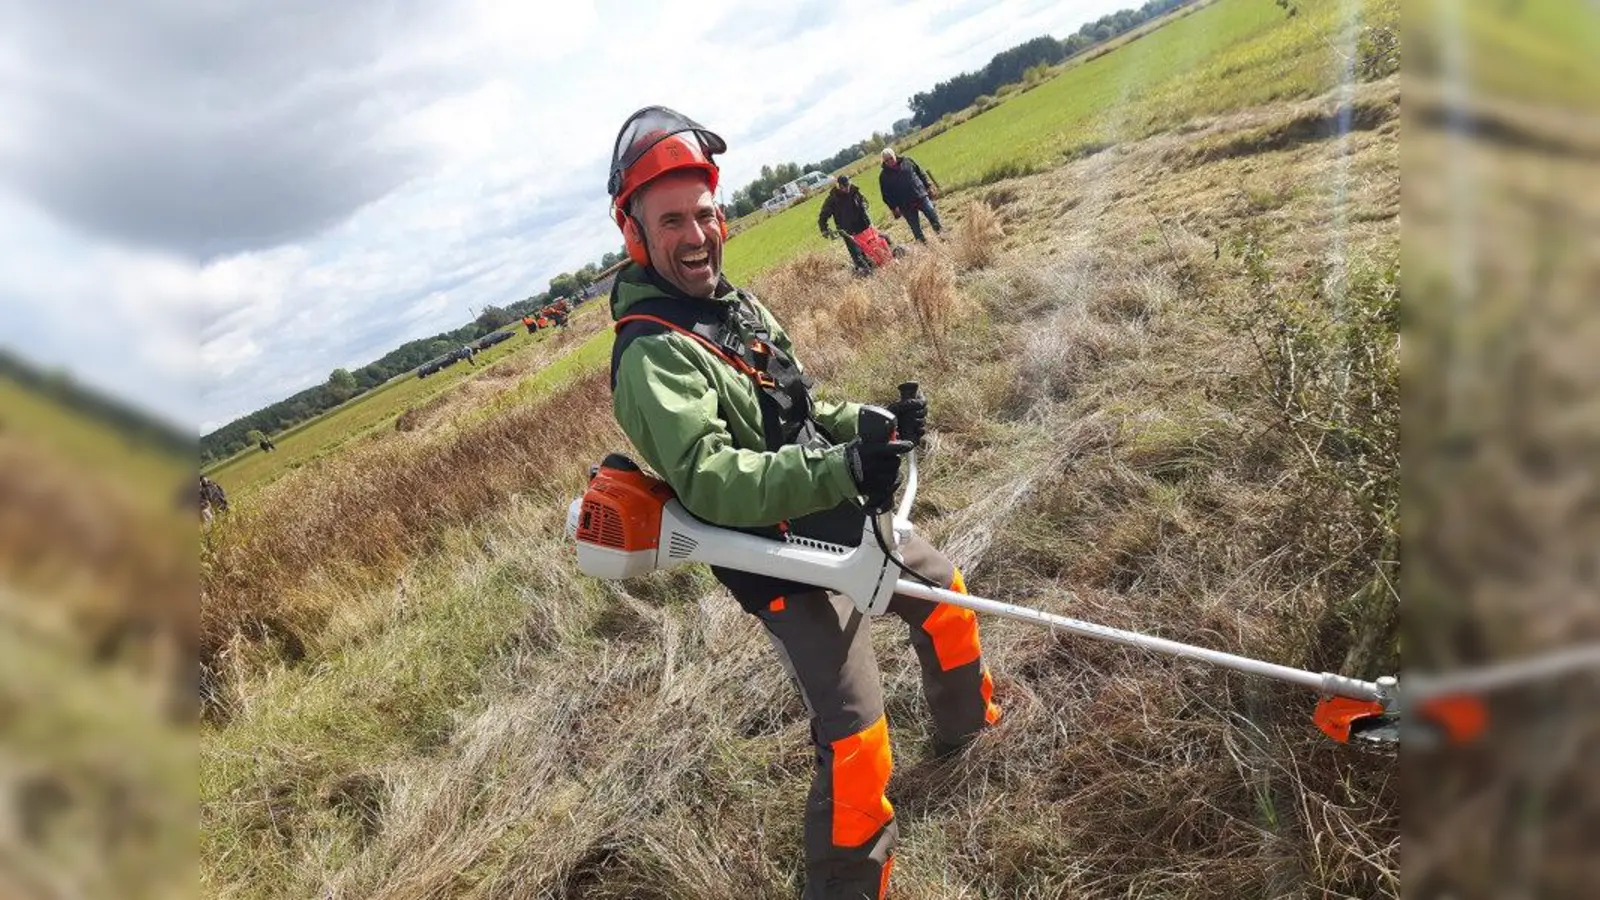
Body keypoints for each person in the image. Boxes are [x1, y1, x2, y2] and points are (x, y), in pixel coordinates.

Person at [603, 106, 1001, 900]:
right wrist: (843, 467)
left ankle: (970, 732)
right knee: (857, 736)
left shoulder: (735, 309)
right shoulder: (651, 354)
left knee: (947, 600)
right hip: (775, 559)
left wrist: (874, 428)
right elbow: (714, 480)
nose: (696, 235)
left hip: (836, 512)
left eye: (704, 214)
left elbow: (803, 410)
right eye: (672, 221)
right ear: (635, 234)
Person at [877, 146, 943, 243]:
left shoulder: (907, 161)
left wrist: (928, 186)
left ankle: (942, 237)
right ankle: (925, 246)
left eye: (891, 158)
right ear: (884, 162)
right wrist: (894, 208)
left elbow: (920, 173)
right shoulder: (883, 176)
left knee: (933, 217)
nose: (890, 161)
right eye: (886, 160)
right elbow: (886, 195)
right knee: (916, 229)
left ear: (895, 155)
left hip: (920, 196)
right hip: (905, 205)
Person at [818, 174, 875, 274]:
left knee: (870, 245)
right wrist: (824, 229)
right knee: (856, 252)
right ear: (839, 186)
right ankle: (864, 270)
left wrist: (864, 206)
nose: (847, 188)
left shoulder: (855, 191)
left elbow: (864, 201)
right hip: (847, 230)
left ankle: (874, 262)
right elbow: (823, 215)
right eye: (844, 186)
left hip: (862, 224)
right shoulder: (833, 199)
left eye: (848, 185)